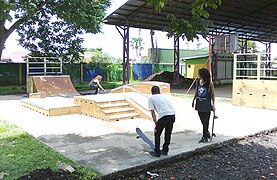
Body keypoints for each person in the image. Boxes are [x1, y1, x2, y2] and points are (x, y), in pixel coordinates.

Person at [148, 85, 175, 157]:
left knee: (157, 133)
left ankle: (157, 152)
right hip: (172, 115)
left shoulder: (151, 98)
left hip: (164, 116)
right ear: (159, 91)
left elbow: (152, 112)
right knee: (168, 133)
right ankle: (165, 150)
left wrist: (155, 123)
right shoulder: (164, 97)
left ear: (152, 92)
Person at [192, 68, 215, 143]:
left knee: (206, 120)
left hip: (206, 104)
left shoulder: (209, 84)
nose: (198, 75)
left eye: (199, 73)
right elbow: (196, 91)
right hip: (199, 103)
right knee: (202, 120)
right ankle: (207, 132)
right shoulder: (198, 82)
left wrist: (213, 104)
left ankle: (204, 136)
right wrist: (193, 100)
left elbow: (213, 94)